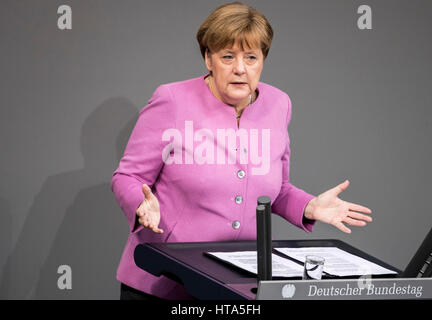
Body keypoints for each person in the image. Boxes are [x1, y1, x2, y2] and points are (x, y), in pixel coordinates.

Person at [111, 2, 373, 300]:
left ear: (262, 60)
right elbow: (127, 176)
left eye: (251, 57)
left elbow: (279, 189)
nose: (240, 68)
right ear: (208, 58)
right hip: (164, 281)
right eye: (227, 56)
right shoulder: (172, 100)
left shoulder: (279, 104)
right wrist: (140, 205)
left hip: (236, 285)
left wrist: (309, 207)